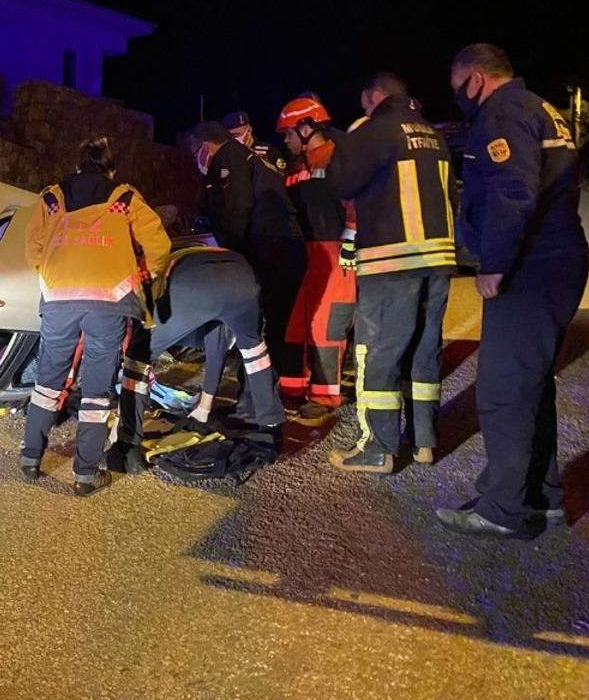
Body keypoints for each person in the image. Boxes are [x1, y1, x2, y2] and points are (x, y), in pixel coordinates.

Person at [435, 44, 589, 537]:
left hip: (530, 267)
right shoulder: (538, 107)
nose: (459, 98)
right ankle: (542, 498)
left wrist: (495, 263)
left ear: (476, 79)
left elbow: (512, 191)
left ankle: (502, 510)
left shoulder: (502, 112)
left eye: (458, 87)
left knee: (503, 390)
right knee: (530, 384)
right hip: (555, 259)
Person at [22, 137, 171, 495]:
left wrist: (54, 274)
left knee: (47, 381)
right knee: (97, 390)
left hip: (58, 300)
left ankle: (30, 458)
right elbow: (160, 246)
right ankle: (85, 475)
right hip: (109, 301)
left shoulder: (51, 198)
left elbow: (33, 250)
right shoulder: (125, 198)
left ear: (77, 166)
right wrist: (149, 274)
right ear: (111, 170)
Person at [327, 72, 456, 473]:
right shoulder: (433, 134)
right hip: (438, 258)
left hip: (391, 260)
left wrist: (350, 140)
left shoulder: (374, 131)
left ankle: (377, 448)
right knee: (423, 349)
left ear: (374, 97)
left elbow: (341, 182)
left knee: (378, 351)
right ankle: (423, 441)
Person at [115, 244, 285, 465]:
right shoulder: (189, 253)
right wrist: (203, 408)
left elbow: (140, 316)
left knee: (137, 359)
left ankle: (128, 446)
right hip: (241, 277)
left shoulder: (153, 267)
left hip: (191, 285)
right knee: (254, 352)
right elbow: (217, 345)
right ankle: (271, 425)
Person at [188, 120, 307, 374]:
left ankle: (262, 388)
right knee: (278, 323)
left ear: (206, 147)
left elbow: (236, 209)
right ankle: (274, 385)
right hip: (284, 245)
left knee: (262, 324)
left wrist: (233, 258)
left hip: (271, 248)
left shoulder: (228, 159)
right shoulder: (248, 158)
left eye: (195, 152)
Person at [275, 96, 357, 422]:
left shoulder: (341, 159)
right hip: (303, 253)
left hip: (336, 253)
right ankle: (292, 387)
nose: (286, 140)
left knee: (327, 326)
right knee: (296, 323)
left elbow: (355, 208)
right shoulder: (296, 167)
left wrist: (349, 251)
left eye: (288, 133)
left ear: (306, 128)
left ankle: (324, 394)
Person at [222, 109, 287, 171]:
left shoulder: (269, 152)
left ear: (249, 130)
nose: (234, 139)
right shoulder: (226, 157)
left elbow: (281, 174)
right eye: (231, 136)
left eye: (236, 135)